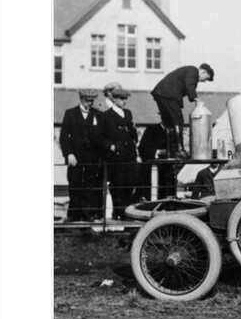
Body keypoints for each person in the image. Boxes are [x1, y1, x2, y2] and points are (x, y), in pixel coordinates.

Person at [151, 63, 214, 159]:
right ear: (203, 71)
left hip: (160, 93)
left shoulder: (188, 71)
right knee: (178, 120)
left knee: (168, 122)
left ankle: (170, 151)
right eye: (205, 78)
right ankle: (179, 150)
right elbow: (190, 84)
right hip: (169, 95)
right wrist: (195, 98)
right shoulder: (193, 71)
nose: (204, 81)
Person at [94, 85, 139, 220]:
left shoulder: (128, 113)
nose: (124, 101)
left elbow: (132, 131)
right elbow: (98, 137)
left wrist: (134, 142)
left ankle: (127, 213)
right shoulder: (106, 116)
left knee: (130, 183)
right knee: (118, 185)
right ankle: (118, 212)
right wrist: (111, 147)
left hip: (129, 156)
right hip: (116, 158)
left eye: (125, 99)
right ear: (114, 99)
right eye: (121, 98)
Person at [59, 88, 103, 221]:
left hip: (92, 158)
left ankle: (88, 215)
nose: (90, 103)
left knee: (90, 185)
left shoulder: (98, 114)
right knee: (74, 184)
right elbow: (64, 137)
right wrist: (69, 154)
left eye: (92, 101)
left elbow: (100, 136)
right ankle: (73, 215)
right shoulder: (70, 113)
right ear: (81, 99)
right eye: (87, 101)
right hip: (75, 157)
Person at [136, 121, 176, 200]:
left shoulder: (174, 131)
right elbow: (142, 149)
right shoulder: (151, 130)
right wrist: (158, 152)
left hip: (168, 173)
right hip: (152, 171)